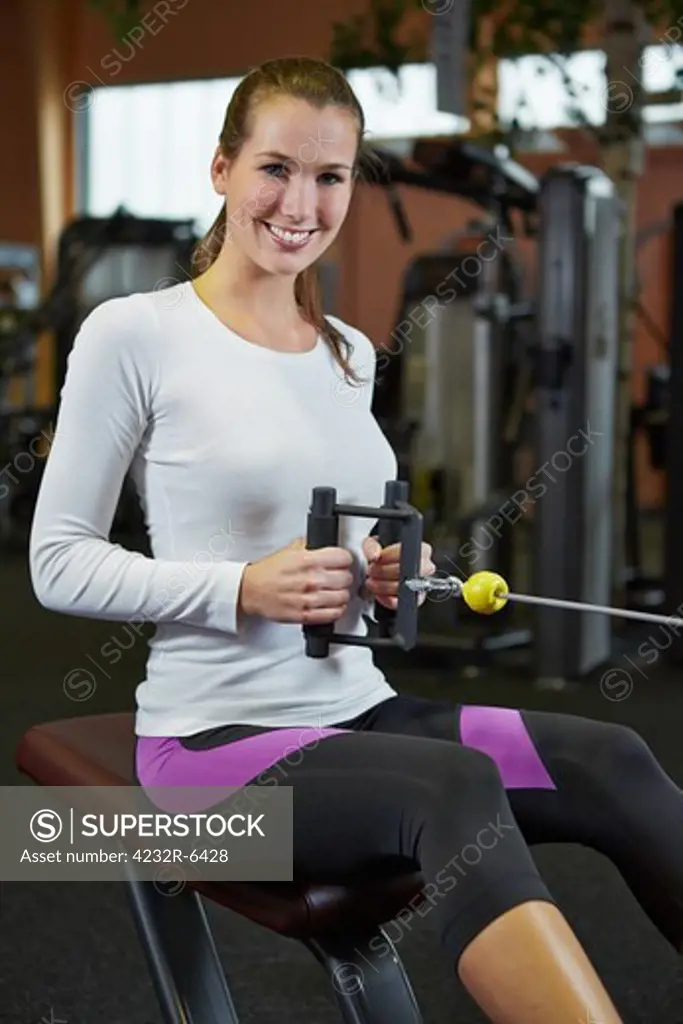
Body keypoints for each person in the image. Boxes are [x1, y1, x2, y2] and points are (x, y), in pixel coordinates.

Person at [28, 55, 683, 1024]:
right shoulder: (136, 332)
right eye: (275, 167)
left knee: (612, 755)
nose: (301, 201)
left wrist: (397, 575)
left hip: (357, 714)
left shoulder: (343, 350)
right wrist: (240, 587)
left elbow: (366, 545)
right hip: (215, 750)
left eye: (330, 175)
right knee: (453, 785)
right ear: (221, 169)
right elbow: (57, 561)